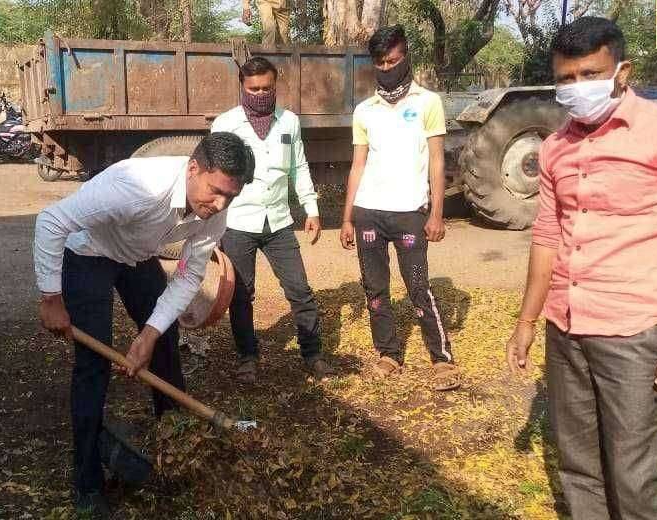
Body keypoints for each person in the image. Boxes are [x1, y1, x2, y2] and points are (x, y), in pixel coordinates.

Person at [504, 17, 657, 520]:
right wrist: (527, 321)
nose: (577, 87)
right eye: (566, 78)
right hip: (565, 327)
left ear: (622, 71)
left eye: (590, 74)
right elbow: (547, 236)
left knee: (633, 474)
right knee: (578, 465)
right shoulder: (555, 147)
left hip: (632, 331)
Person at [34, 133, 254, 517]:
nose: (220, 205)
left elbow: (189, 274)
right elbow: (51, 221)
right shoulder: (135, 188)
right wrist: (51, 298)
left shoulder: (215, 210)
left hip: (136, 256)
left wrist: (149, 334)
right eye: (216, 192)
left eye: (230, 197)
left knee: (165, 341)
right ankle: (87, 482)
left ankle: (177, 446)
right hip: (89, 253)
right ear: (193, 168)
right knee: (94, 363)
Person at [339, 25, 460, 391]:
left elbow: (437, 161)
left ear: (406, 58)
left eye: (393, 61)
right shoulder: (365, 111)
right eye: (380, 62)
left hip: (410, 212)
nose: (387, 68)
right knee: (375, 289)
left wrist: (436, 213)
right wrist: (347, 217)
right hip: (369, 212)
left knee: (418, 287)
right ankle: (388, 353)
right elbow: (357, 165)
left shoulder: (428, 102)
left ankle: (442, 358)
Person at [210, 56, 329, 383]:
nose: (261, 94)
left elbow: (299, 167)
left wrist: (311, 209)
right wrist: (212, 227)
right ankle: (248, 356)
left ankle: (313, 354)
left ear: (275, 86)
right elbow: (214, 177)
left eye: (267, 88)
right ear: (242, 87)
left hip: (278, 222)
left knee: (299, 289)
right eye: (254, 89)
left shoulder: (289, 122)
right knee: (241, 294)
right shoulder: (225, 124)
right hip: (238, 223)